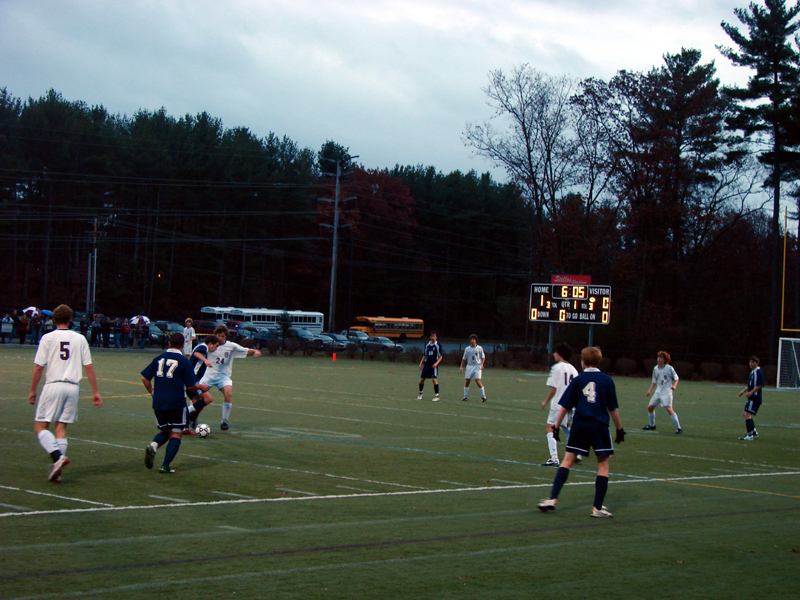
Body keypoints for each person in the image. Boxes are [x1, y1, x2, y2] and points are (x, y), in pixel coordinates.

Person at [538, 346, 625, 518]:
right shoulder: (607, 380)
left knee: (567, 460)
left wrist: (556, 426)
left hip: (580, 424)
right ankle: (597, 508)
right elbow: (612, 408)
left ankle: (552, 499)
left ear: (583, 362)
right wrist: (619, 428)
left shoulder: (578, 380)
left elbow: (565, 406)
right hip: (599, 425)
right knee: (603, 465)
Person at [28, 304, 102, 482]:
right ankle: (58, 472)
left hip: (54, 385)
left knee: (40, 427)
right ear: (70, 320)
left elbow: (39, 367)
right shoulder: (80, 338)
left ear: (54, 319)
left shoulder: (48, 338)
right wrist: (95, 392)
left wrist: (32, 390)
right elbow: (88, 367)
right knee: (61, 428)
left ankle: (57, 457)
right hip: (73, 388)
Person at [141, 333, 209, 473]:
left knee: (165, 430)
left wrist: (153, 392)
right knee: (177, 433)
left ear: (169, 343)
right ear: (183, 345)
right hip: (176, 402)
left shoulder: (158, 358)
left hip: (159, 401)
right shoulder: (184, 361)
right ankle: (165, 466)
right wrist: (201, 387)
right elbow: (191, 386)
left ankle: (153, 446)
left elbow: (145, 379)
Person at [199, 325, 261, 430]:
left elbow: (245, 350)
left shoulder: (231, 346)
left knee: (228, 393)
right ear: (215, 335)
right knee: (199, 396)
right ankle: (191, 416)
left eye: (222, 336)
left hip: (223, 376)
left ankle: (224, 421)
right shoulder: (207, 345)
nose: (220, 338)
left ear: (226, 336)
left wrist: (255, 351)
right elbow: (197, 352)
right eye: (218, 335)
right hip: (208, 374)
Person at [540, 343, 579, 466]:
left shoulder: (556, 368)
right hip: (571, 404)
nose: (553, 354)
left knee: (550, 428)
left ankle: (554, 457)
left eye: (555, 352)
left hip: (558, 404)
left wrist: (546, 401)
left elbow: (554, 388)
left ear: (560, 354)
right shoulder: (573, 369)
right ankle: (576, 451)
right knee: (564, 426)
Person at [184, 334, 220, 433]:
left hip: (192, 379)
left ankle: (187, 424)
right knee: (208, 399)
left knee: (197, 403)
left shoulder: (203, 348)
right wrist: (205, 360)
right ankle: (184, 413)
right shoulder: (203, 347)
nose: (216, 348)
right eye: (216, 346)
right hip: (192, 379)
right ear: (210, 343)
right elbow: (196, 353)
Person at [643, 350, 682, 434]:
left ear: (665, 359)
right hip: (658, 391)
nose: (659, 359)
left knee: (669, 409)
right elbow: (654, 381)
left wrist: (674, 386)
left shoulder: (669, 368)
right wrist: (650, 391)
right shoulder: (655, 368)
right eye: (658, 357)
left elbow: (676, 378)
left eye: (661, 357)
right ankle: (652, 425)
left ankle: (679, 428)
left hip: (666, 392)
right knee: (650, 407)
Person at [738, 356, 764, 441]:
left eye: (753, 362)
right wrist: (743, 391)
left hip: (755, 398)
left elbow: (760, 385)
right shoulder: (752, 372)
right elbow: (750, 386)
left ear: (757, 363)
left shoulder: (758, 372)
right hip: (752, 397)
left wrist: (751, 392)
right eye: (750, 362)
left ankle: (750, 435)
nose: (751, 364)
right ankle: (754, 432)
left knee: (747, 414)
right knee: (745, 414)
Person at [417, 330, 444, 401]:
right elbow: (425, 355)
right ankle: (420, 393)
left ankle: (437, 396)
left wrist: (436, 363)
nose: (433, 338)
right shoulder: (427, 345)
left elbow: (440, 356)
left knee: (434, 379)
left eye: (434, 336)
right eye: (432, 336)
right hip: (427, 364)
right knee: (422, 380)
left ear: (436, 337)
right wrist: (421, 363)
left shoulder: (438, 345)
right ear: (430, 337)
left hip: (433, 365)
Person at [460, 334, 487, 402]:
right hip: (469, 366)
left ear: (476, 341)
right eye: (471, 339)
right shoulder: (467, 349)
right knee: (467, 381)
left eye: (473, 340)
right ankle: (465, 396)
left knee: (478, 381)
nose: (472, 341)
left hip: (477, 366)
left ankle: (483, 396)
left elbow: (483, 357)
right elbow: (464, 358)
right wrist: (461, 366)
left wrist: (482, 364)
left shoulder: (479, 348)